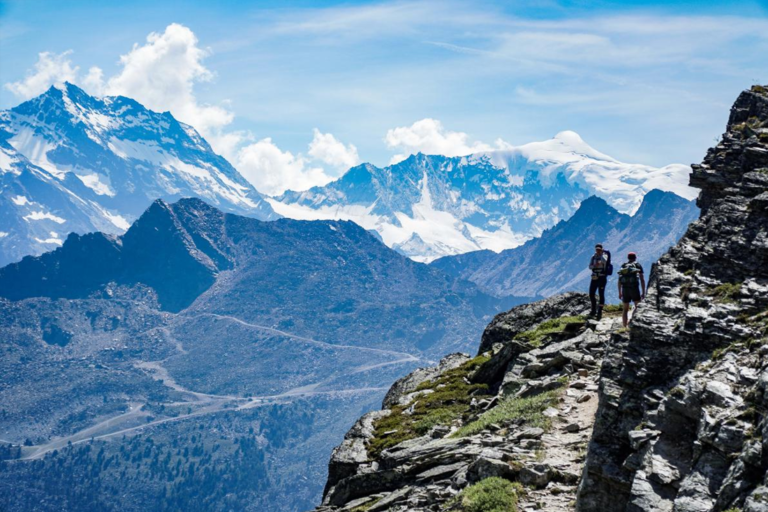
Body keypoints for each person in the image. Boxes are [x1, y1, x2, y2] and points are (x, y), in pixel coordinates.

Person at [618, 252, 646, 328]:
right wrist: (643, 292)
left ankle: (624, 327)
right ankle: (632, 321)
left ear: (628, 258)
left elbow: (619, 280)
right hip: (634, 289)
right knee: (637, 306)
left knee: (625, 309)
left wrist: (620, 292)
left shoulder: (623, 266)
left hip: (625, 289)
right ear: (635, 257)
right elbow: (642, 279)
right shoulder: (637, 265)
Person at [588, 243, 609, 320]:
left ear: (602, 249)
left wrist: (602, 254)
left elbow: (604, 261)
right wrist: (594, 265)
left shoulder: (605, 255)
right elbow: (590, 266)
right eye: (597, 249)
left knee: (601, 294)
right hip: (594, 277)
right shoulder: (593, 257)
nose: (598, 251)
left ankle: (600, 311)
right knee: (591, 294)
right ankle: (593, 310)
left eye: (599, 249)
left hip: (602, 278)